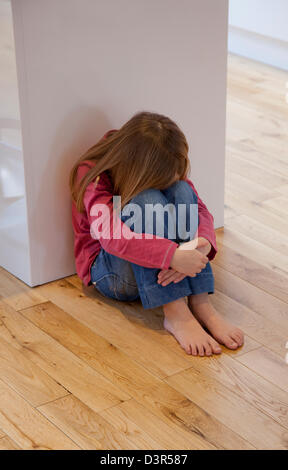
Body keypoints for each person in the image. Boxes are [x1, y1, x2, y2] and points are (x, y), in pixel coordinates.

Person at [70, 111, 244, 356]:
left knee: (182, 190)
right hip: (111, 273)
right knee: (146, 200)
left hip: (164, 265)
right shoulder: (95, 173)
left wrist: (203, 242)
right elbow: (110, 238)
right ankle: (175, 312)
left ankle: (200, 302)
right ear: (142, 172)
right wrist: (171, 256)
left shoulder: (158, 155)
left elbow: (199, 206)